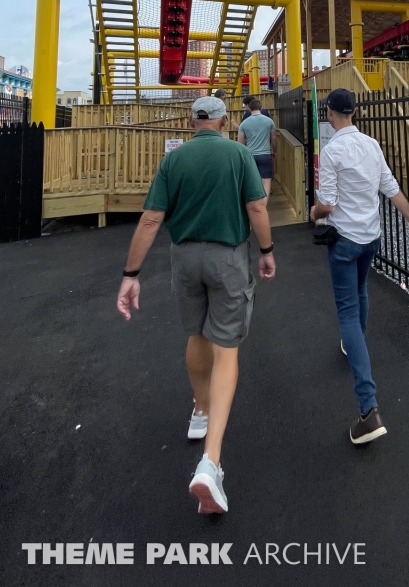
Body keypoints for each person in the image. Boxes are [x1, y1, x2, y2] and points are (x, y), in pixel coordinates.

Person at [116, 96, 275, 515]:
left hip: (183, 257)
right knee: (227, 349)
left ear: (193, 120)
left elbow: (151, 219)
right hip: (227, 257)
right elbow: (256, 206)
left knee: (196, 333)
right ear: (224, 121)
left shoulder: (175, 160)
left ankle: (199, 408)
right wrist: (267, 249)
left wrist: (130, 275)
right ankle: (211, 461)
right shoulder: (238, 154)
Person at [310, 88, 409, 446]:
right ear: (356, 111)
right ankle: (354, 343)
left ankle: (368, 408)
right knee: (361, 292)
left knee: (346, 310)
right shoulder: (372, 145)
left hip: (344, 240)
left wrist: (312, 214)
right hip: (371, 237)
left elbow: (327, 205)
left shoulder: (332, 151)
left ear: (330, 112)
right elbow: (390, 189)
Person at [238, 98, 277, 200]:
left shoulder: (244, 123)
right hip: (265, 154)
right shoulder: (269, 121)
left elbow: (240, 142)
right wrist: (275, 151)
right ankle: (263, 204)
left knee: (251, 180)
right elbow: (273, 138)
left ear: (249, 108)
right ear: (261, 108)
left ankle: (253, 203)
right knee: (266, 182)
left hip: (250, 155)